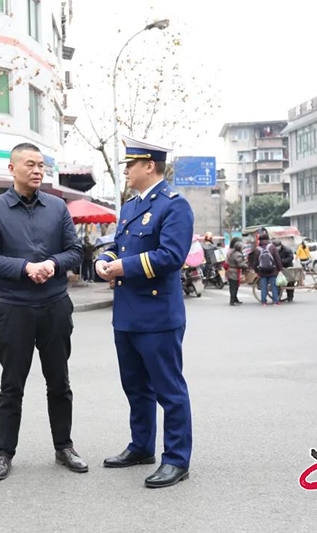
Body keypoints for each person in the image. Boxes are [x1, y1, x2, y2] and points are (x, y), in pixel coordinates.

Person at [0, 142, 86, 481]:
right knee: (12, 385)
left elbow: (75, 251)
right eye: (30, 164)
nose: (37, 170)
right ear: (12, 169)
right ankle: (4, 452)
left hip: (54, 306)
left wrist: (52, 264)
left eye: (41, 164)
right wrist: (26, 267)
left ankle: (64, 446)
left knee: (60, 382)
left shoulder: (57, 207)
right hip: (14, 308)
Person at [95, 135, 194, 489]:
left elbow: (171, 256)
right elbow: (117, 245)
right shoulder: (130, 205)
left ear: (148, 166)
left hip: (157, 316)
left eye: (129, 164)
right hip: (127, 314)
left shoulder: (174, 205)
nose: (125, 170)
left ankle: (176, 459)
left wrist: (122, 267)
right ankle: (141, 447)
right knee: (135, 387)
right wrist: (104, 260)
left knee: (169, 390)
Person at [249, 233, 283, 306]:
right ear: (268, 239)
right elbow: (277, 259)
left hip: (262, 271)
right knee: (274, 286)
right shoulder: (272, 247)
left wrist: (256, 271)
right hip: (273, 270)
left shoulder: (257, 249)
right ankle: (276, 301)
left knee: (264, 287)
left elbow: (255, 262)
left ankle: (264, 302)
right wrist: (280, 269)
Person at [226, 239, 247, 306]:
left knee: (233, 286)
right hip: (234, 272)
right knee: (234, 287)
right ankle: (232, 301)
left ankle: (235, 299)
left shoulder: (232, 253)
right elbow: (240, 264)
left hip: (230, 271)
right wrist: (247, 265)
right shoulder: (238, 255)